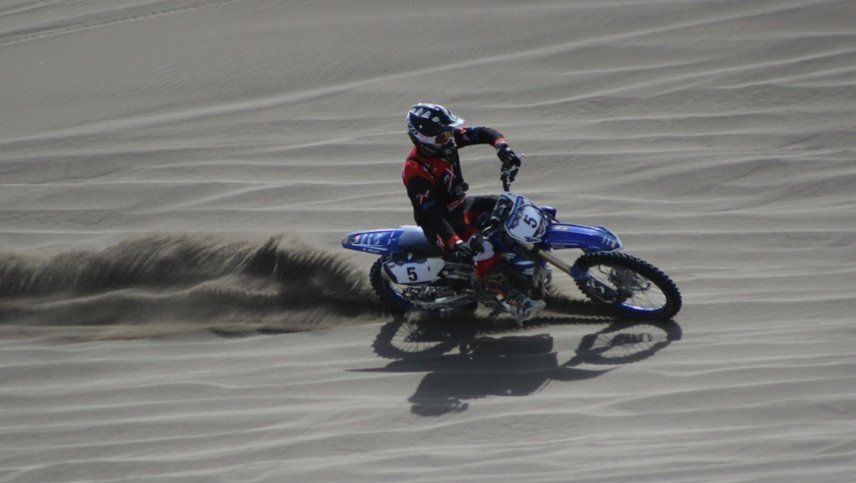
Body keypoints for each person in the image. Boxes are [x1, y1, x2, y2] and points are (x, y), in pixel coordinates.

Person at [402, 102, 545, 322]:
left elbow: (483, 132)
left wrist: (502, 147)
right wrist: (456, 242)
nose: (449, 139)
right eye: (442, 137)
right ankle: (512, 300)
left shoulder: (446, 142)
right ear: (423, 140)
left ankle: (523, 267)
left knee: (509, 204)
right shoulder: (416, 170)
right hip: (441, 224)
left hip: (460, 205)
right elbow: (433, 214)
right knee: (484, 248)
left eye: (449, 132)